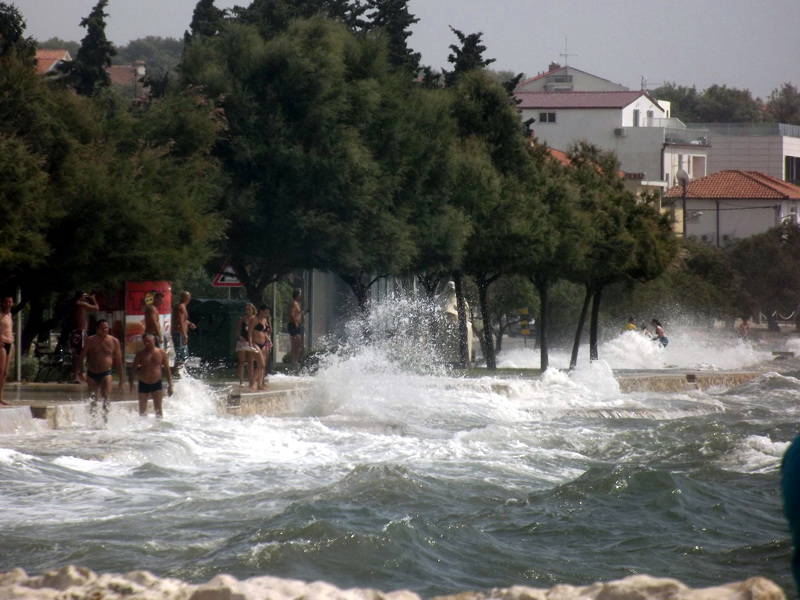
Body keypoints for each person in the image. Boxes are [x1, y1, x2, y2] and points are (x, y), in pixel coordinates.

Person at [80, 319, 124, 420]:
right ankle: (93, 420)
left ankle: (105, 420)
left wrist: (121, 379)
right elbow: (81, 356)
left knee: (106, 398)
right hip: (92, 373)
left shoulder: (114, 341)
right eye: (102, 328)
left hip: (106, 372)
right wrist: (82, 371)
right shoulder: (90, 340)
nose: (104, 330)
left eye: (106, 328)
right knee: (93, 399)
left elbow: (119, 361)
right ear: (97, 329)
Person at [130, 332, 173, 418]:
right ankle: (143, 428)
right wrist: (131, 382)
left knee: (158, 410)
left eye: (148, 341)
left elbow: (167, 370)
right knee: (142, 410)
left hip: (156, 383)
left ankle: (159, 429)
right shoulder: (140, 354)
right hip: (143, 382)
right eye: (144, 341)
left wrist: (170, 385)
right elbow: (133, 369)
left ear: (153, 340)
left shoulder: (161, 353)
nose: (146, 343)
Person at [69, 291, 99, 383]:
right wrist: (93, 299)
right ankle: (80, 374)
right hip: (80, 331)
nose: (86, 298)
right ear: (81, 296)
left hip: (75, 332)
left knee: (77, 354)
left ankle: (77, 374)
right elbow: (96, 308)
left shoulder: (75, 304)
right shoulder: (81, 303)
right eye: (84, 296)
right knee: (80, 354)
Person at [171, 291, 196, 370]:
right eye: (188, 297)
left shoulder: (183, 307)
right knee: (180, 356)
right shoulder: (180, 307)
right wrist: (184, 334)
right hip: (179, 334)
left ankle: (182, 375)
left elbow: (183, 320)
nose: (189, 299)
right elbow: (180, 321)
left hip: (180, 334)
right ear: (186, 298)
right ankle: (175, 374)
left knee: (184, 357)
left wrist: (189, 324)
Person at [249, 304, 272, 391]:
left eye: (268, 313)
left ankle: (259, 384)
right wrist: (250, 343)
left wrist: (268, 339)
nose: (267, 314)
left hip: (264, 343)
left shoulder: (265, 320)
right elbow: (250, 332)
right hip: (255, 343)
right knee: (261, 365)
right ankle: (252, 382)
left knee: (263, 365)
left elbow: (265, 332)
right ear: (261, 311)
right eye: (265, 312)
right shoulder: (255, 319)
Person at [235, 303, 257, 387]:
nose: (247, 311)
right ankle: (241, 381)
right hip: (242, 341)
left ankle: (251, 380)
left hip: (250, 341)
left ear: (253, 310)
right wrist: (239, 336)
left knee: (251, 362)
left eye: (249, 310)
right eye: (246, 310)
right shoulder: (242, 319)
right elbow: (237, 330)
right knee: (241, 361)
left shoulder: (254, 319)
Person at [0, 296, 13, 406]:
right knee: (0, 370)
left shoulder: (10, 315)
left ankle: (1, 396)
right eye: (6, 302)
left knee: (5, 373)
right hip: (1, 344)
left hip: (9, 343)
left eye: (10, 302)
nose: (8, 304)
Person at [287, 288, 303, 370]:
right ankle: (293, 362)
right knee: (295, 343)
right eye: (300, 294)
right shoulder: (293, 303)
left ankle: (295, 361)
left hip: (297, 325)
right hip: (293, 325)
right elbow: (291, 314)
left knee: (298, 344)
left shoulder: (297, 303)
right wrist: (295, 323)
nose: (301, 296)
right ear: (298, 295)